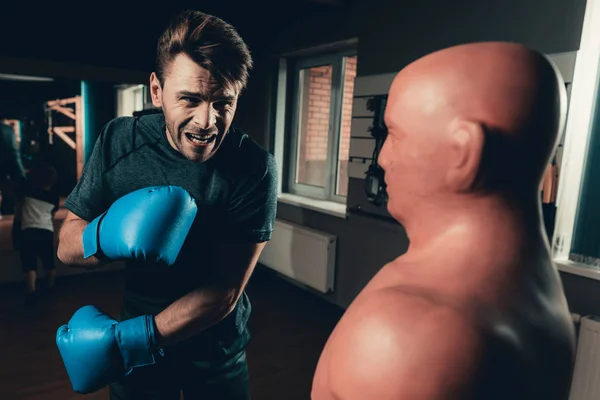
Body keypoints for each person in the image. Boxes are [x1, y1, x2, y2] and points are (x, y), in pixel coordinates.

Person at [311, 42, 575, 400]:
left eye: (395, 135)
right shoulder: (539, 295)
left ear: (463, 154)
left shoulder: (409, 335)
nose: (384, 158)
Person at [55, 9, 277, 400]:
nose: (207, 121)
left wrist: (133, 341)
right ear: (156, 91)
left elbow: (224, 290)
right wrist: (105, 234)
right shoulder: (121, 142)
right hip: (137, 337)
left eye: (223, 103)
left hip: (215, 348)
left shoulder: (253, 168)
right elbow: (66, 244)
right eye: (190, 99)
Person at [19, 161, 59, 304]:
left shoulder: (27, 192)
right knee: (48, 260)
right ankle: (51, 285)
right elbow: (52, 215)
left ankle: (31, 290)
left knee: (29, 262)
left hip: (28, 231)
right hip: (46, 230)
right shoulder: (54, 198)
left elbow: (19, 207)